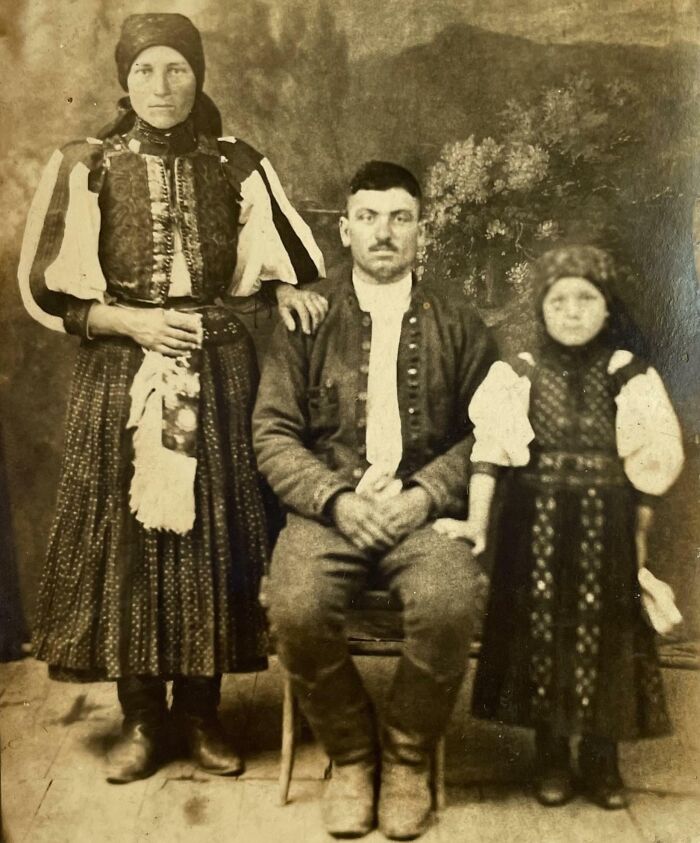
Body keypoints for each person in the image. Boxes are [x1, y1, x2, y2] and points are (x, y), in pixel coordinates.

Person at [17, 13, 326, 784]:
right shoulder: (88, 163)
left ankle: (201, 712)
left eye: (178, 70)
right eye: (147, 70)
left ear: (199, 76)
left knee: (209, 542)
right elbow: (42, 285)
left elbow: (281, 252)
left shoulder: (235, 163)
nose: (162, 87)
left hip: (218, 371)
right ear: (125, 80)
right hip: (123, 374)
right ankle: (141, 720)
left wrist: (288, 289)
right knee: (133, 545)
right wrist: (127, 319)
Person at [253, 161, 495, 840]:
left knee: (451, 601)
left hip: (427, 514)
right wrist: (333, 499)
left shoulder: (459, 319)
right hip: (330, 511)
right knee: (295, 604)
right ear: (346, 227)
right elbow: (272, 431)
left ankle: (409, 754)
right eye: (368, 217)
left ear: (422, 227)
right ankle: (353, 754)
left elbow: (492, 430)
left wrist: (425, 494)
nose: (383, 233)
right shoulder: (308, 316)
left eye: (400, 217)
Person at [434, 245, 684, 810]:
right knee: (541, 634)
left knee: (606, 638)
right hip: (534, 527)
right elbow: (489, 455)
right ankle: (551, 757)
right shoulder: (518, 373)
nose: (572, 311)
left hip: (607, 527)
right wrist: (477, 522)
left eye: (586, 299)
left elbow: (654, 456)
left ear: (606, 308)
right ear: (542, 308)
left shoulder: (629, 374)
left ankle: (601, 760)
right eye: (559, 300)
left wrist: (639, 537)